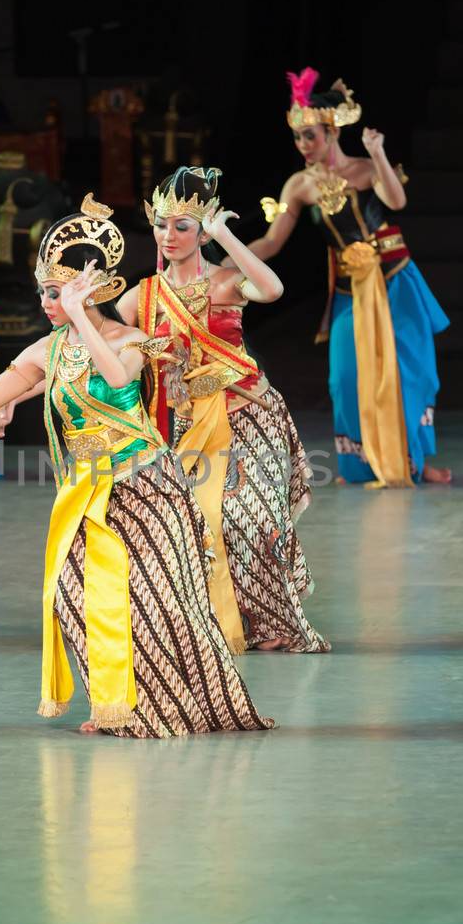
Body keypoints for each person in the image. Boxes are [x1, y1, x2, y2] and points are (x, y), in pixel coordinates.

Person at [0, 196, 274, 737]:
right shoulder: (44, 352)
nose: (47, 303)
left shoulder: (132, 339)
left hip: (146, 486)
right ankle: (112, 706)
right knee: (75, 597)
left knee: (158, 604)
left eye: (56, 293)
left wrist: (79, 315)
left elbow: (118, 379)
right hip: (87, 490)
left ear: (93, 292)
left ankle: (162, 706)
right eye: (45, 293)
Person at [112, 166, 327, 654]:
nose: (169, 236)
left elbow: (271, 290)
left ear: (200, 229)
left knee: (248, 517)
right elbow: (84, 348)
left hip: (250, 414)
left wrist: (225, 234)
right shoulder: (140, 297)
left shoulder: (226, 282)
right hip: (186, 424)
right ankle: (214, 620)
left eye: (182, 226)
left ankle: (273, 621)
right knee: (197, 521)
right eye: (162, 224)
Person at [248, 67, 450, 487]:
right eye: (299, 138)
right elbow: (271, 242)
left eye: (311, 137)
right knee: (344, 377)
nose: (303, 145)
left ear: (333, 133)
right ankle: (359, 466)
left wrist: (377, 153)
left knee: (408, 373)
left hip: (395, 280)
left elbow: (397, 199)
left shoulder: (364, 169)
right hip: (349, 288)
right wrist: (221, 257)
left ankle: (414, 463)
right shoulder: (299, 186)